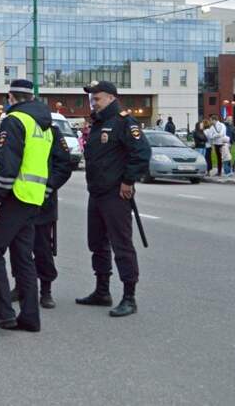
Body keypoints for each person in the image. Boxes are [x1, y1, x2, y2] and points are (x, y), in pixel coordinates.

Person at [0, 79, 59, 334]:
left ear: (10, 97)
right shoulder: (42, 124)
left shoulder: (14, 120)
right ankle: (30, 317)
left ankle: (2, 312)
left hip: (15, 195)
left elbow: (8, 162)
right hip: (34, 198)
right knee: (23, 257)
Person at [76, 80, 151, 318]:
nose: (93, 102)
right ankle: (102, 290)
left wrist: (128, 181)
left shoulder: (123, 122)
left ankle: (129, 297)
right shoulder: (99, 123)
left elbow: (141, 153)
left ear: (110, 97)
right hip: (96, 192)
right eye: (92, 98)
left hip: (115, 194)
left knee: (121, 245)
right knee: (96, 243)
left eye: (97, 98)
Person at [9, 124, 73, 309]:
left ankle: (46, 290)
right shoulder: (16, 127)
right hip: (17, 200)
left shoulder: (51, 131)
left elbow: (64, 165)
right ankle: (20, 286)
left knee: (42, 248)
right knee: (18, 249)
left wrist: (49, 187)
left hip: (43, 204)